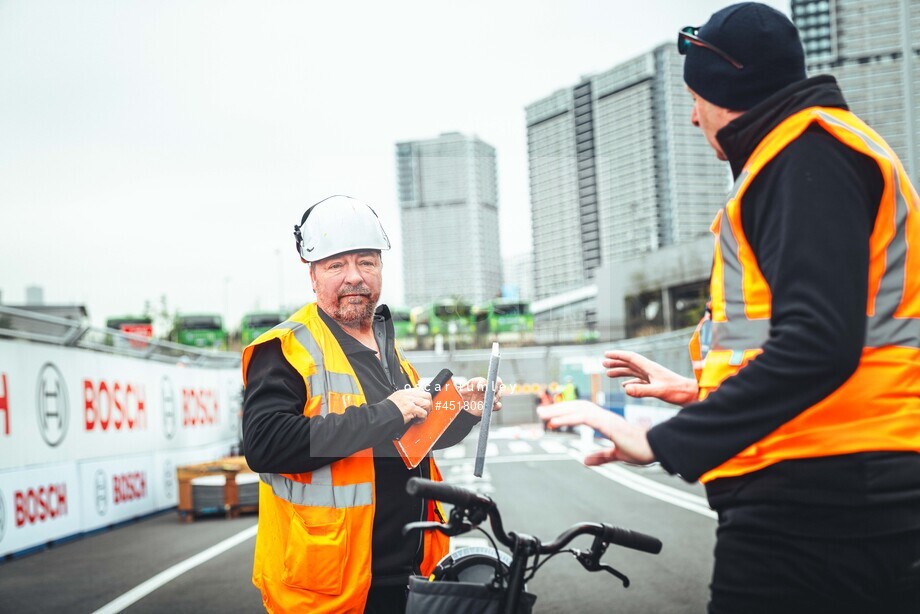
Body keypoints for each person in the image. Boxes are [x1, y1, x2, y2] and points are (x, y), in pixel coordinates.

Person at [540, 3, 920, 612]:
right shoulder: (809, 156)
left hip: (817, 499)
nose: (692, 116)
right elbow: (828, 334)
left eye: (697, 96)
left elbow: (820, 343)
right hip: (840, 486)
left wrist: (665, 441)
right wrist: (700, 389)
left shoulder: (805, 156)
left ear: (729, 90)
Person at [242, 195, 501, 613]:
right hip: (328, 587)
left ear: (381, 267)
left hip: (409, 574)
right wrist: (388, 411)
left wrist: (465, 410)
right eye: (335, 265)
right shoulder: (286, 349)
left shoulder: (387, 348)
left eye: (366, 262)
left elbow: (411, 437)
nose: (354, 277)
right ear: (312, 275)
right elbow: (266, 445)